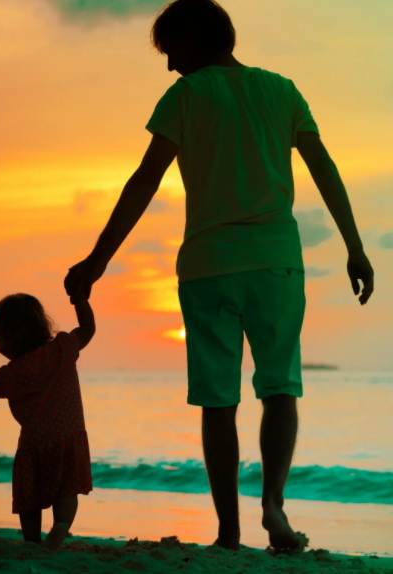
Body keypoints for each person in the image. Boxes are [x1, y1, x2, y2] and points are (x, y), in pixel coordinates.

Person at [64, 0, 374, 552]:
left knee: (218, 400)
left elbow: (144, 181)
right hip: (276, 260)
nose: (168, 66)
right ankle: (273, 505)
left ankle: (229, 531)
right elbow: (323, 165)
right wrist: (354, 246)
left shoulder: (186, 95)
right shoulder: (282, 89)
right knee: (280, 388)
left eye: (171, 51)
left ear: (196, 39)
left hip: (208, 266)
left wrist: (99, 260)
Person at [0, 293, 95, 550]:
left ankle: (31, 540)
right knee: (67, 489)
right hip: (69, 436)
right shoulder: (62, 349)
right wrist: (80, 299)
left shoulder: (13, 373)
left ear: (10, 339)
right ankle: (61, 527)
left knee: (30, 497)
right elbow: (87, 328)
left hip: (34, 442)